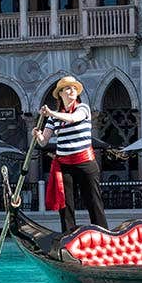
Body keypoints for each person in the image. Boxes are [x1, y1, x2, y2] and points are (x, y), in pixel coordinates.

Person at [34, 76, 109, 233]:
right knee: (65, 204)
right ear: (60, 94)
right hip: (64, 166)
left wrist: (51, 113)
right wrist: (37, 134)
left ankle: (103, 235)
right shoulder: (53, 118)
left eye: (74, 88)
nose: (72, 91)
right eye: (68, 88)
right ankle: (68, 236)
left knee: (93, 201)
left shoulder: (83, 108)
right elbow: (43, 142)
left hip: (85, 163)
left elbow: (73, 118)